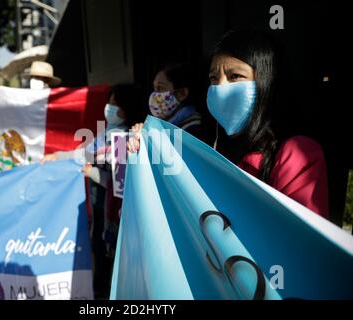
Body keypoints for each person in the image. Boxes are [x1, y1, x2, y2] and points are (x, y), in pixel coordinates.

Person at [129, 30, 329, 218]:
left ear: (268, 82)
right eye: (214, 79)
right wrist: (142, 150)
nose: (220, 88)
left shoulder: (296, 154)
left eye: (235, 76)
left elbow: (298, 242)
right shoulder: (208, 144)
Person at [41, 83, 147, 299]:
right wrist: (58, 157)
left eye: (115, 103)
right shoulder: (106, 134)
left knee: (108, 256)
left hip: (112, 215)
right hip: (99, 210)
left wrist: (91, 173)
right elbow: (84, 154)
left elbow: (120, 185)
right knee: (98, 250)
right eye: (109, 101)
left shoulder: (123, 139)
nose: (108, 107)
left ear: (127, 108)